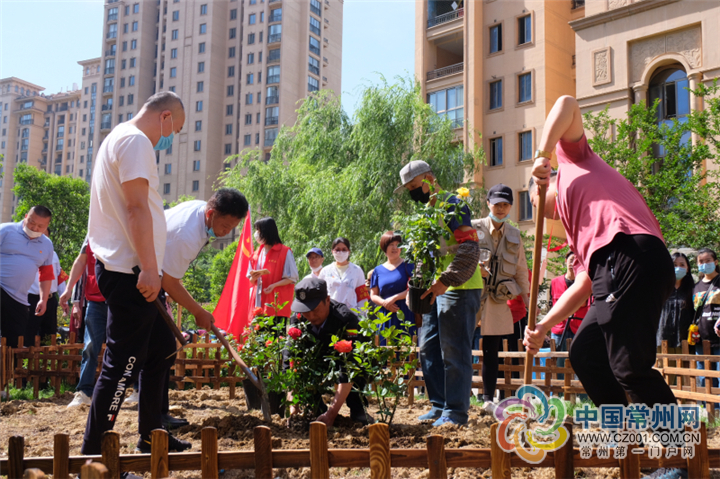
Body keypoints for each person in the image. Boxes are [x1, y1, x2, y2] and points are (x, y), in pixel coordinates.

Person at [525, 95, 679, 479]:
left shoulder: (574, 160)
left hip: (631, 251)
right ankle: (624, 442)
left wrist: (541, 156)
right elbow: (584, 285)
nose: (540, 201)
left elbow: (566, 103)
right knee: (588, 353)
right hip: (617, 265)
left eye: (539, 193)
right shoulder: (578, 229)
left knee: (629, 367)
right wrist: (544, 325)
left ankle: (679, 460)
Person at [81, 91, 189, 456]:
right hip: (133, 273)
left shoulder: (118, 139)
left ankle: (151, 435)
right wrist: (148, 267)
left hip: (137, 272)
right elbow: (135, 208)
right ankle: (93, 455)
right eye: (174, 128)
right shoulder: (135, 141)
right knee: (122, 367)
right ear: (164, 117)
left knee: (160, 350)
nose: (170, 137)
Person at [395, 160, 483, 426]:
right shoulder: (427, 213)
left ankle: (455, 412)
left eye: (414, 186)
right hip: (435, 289)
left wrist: (446, 280)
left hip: (459, 287)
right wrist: (418, 284)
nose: (413, 193)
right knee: (428, 347)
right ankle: (439, 404)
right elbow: (427, 255)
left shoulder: (453, 205)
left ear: (429, 179)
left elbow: (470, 248)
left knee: (454, 351)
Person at [157, 188, 248, 435]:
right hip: (142, 279)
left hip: (154, 276)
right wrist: (198, 311)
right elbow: (168, 281)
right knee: (158, 352)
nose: (227, 231)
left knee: (163, 349)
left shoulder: (200, 213)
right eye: (225, 225)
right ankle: (155, 417)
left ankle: (158, 413)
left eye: (233, 227)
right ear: (210, 213)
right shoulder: (186, 235)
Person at [471, 184, 529, 410]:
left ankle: (488, 398)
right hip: (472, 295)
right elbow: (459, 257)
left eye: (505, 204)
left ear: (511, 207)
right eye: (497, 204)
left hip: (497, 298)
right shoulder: (474, 228)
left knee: (492, 351)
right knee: (463, 346)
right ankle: (461, 397)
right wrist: (477, 268)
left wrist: (530, 302)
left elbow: (521, 270)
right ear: (488, 204)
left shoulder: (515, 234)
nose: (501, 208)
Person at [288, 276, 372, 426]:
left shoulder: (346, 319)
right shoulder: (298, 320)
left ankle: (358, 407)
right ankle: (316, 407)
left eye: (314, 310)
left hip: (342, 362)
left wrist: (332, 414)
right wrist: (293, 406)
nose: (311, 316)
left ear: (327, 300)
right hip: (316, 364)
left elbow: (349, 367)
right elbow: (292, 360)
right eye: (305, 311)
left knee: (359, 367)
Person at [61, 238, 109, 409]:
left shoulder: (126, 225)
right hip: (94, 299)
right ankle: (84, 392)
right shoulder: (91, 234)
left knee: (123, 346)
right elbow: (81, 261)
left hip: (120, 298)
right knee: (90, 347)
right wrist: (69, 290)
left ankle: (133, 390)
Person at [0, 206, 55, 349]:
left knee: (14, 341)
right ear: (26, 216)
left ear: (47, 226)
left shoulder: (47, 245)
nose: (35, 228)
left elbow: (46, 274)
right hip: (1, 287)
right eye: (32, 222)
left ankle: (8, 371)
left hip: (19, 298)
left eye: (40, 226)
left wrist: (43, 299)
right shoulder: (5, 230)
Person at [548, 251, 591, 381]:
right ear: (565, 261)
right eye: (571, 260)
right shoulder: (555, 282)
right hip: (559, 329)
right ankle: (560, 395)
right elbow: (552, 304)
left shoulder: (586, 283)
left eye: (577, 261)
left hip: (579, 327)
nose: (572, 264)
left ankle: (581, 396)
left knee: (581, 363)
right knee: (559, 365)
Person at [248, 217, 299, 321]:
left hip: (276, 306)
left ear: (267, 232)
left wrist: (274, 285)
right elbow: (250, 280)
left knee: (275, 336)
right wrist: (253, 278)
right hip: (257, 305)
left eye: (258, 230)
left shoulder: (284, 251)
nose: (256, 234)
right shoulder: (256, 253)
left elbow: (292, 278)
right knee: (257, 336)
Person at [369, 231, 416, 344]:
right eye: (391, 244)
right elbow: (373, 295)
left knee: (407, 352)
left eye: (397, 244)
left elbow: (414, 289)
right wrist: (385, 303)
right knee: (386, 352)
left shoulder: (409, 266)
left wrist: (394, 298)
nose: (395, 247)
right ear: (385, 247)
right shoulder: (377, 270)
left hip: (405, 312)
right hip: (385, 314)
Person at [27, 240, 67, 343]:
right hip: (32, 299)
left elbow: (60, 276)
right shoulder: (25, 253)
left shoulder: (53, 254)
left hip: (50, 299)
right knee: (29, 334)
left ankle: (48, 358)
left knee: (50, 335)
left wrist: (64, 299)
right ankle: (28, 358)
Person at [692, 248, 720, 392]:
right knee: (704, 377)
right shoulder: (696, 287)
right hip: (701, 339)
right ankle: (709, 411)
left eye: (708, 261)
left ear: (715, 262)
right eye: (701, 261)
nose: (704, 264)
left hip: (719, 338)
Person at [319, 238, 369, 312]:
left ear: (349, 252)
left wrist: (362, 318)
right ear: (332, 251)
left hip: (351, 314)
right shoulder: (325, 271)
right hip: (330, 314)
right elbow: (319, 295)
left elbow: (362, 297)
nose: (341, 252)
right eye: (337, 250)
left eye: (344, 249)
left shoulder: (357, 270)